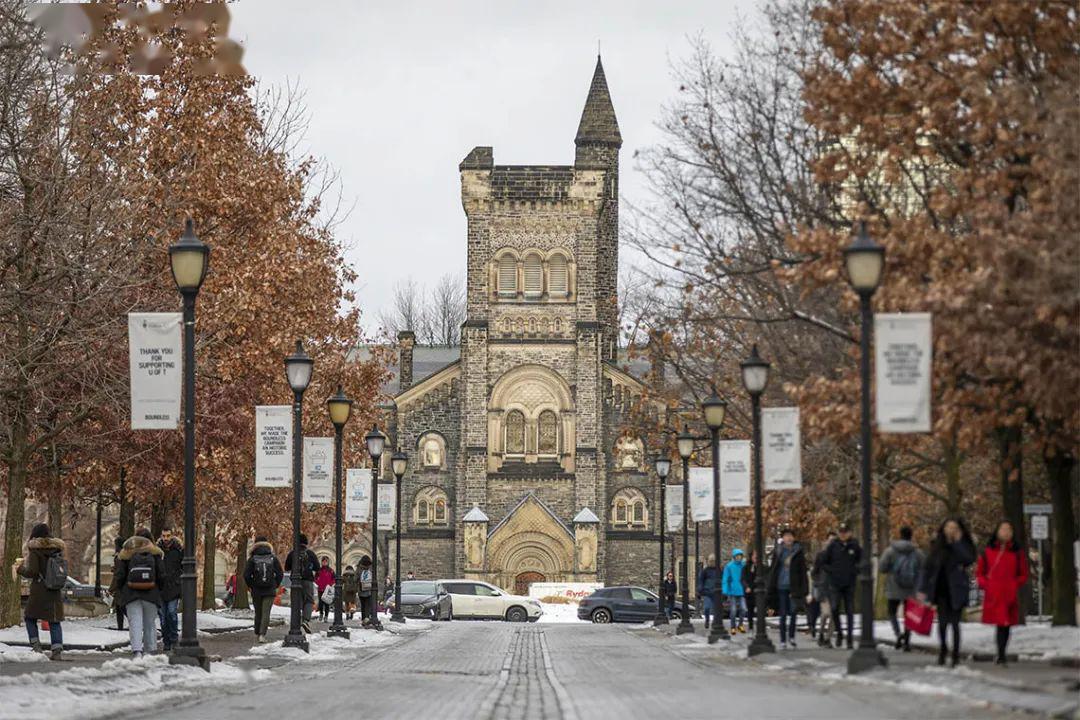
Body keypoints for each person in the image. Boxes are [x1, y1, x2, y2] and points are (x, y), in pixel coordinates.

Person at [917, 517, 976, 667]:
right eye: (948, 527)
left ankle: (955, 655)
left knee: (955, 624)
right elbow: (927, 567)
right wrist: (922, 588)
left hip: (957, 589)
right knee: (942, 624)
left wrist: (957, 543)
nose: (951, 530)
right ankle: (943, 649)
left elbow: (969, 559)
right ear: (943, 529)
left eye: (954, 528)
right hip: (941, 589)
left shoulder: (964, 545)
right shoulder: (937, 546)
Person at [976, 521, 1028, 666]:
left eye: (1009, 529)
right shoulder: (988, 551)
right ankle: (1001, 654)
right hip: (994, 593)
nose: (1006, 532)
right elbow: (980, 573)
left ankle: (1001, 653)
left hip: (1009, 593)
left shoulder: (1017, 553)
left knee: (1006, 624)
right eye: (1003, 529)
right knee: (1000, 623)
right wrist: (986, 585)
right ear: (997, 532)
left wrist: (1014, 584)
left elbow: (1023, 574)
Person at [13, 524, 65, 660]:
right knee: (54, 621)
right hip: (54, 590)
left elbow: (33, 572)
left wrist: (20, 569)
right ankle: (57, 650)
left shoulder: (35, 550)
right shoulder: (58, 549)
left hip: (39, 590)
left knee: (29, 618)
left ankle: (36, 647)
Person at [114, 527, 166, 658]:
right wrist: (159, 589)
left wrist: (119, 588)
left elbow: (119, 575)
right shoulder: (155, 554)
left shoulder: (126, 553)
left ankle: (137, 651)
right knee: (150, 624)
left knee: (135, 623)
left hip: (131, 594)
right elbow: (162, 575)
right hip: (151, 593)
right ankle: (151, 650)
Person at [879, 526, 924, 651]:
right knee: (908, 615)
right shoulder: (917, 552)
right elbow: (924, 568)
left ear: (900, 535)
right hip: (911, 588)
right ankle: (907, 641)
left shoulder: (890, 551)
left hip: (893, 587)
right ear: (911, 536)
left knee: (891, 612)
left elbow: (882, 567)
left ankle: (898, 634)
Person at [822, 523, 861, 649]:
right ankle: (839, 632)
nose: (843, 534)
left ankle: (849, 639)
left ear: (849, 533)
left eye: (845, 532)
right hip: (835, 583)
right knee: (834, 609)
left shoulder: (854, 545)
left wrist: (855, 570)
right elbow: (824, 562)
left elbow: (861, 561)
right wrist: (832, 570)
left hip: (849, 583)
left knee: (850, 611)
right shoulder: (833, 545)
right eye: (841, 532)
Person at [767, 529, 807, 649]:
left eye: (790, 536)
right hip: (781, 586)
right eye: (786, 536)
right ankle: (783, 640)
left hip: (793, 586)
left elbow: (802, 572)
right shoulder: (778, 552)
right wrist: (771, 584)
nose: (788, 538)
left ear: (793, 538)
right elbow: (773, 569)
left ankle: (792, 637)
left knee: (793, 612)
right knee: (783, 613)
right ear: (783, 538)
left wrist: (804, 589)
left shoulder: (798, 552)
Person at [243, 535, 283, 643]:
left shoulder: (252, 559)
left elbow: (246, 575)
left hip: (256, 589)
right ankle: (262, 634)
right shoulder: (272, 558)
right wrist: (275, 584)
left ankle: (257, 632)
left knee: (258, 612)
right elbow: (280, 573)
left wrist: (251, 585)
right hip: (270, 589)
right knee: (266, 613)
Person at [284, 533, 319, 633]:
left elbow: (286, 567)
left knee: (296, 602)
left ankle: (296, 622)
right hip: (308, 580)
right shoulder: (310, 554)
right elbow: (317, 567)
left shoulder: (292, 553)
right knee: (309, 601)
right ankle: (306, 620)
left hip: (296, 581)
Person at [157, 526, 183, 652]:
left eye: (168, 536)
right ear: (161, 536)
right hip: (161, 588)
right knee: (163, 617)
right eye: (164, 536)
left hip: (173, 588)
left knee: (171, 613)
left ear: (172, 535)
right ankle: (166, 640)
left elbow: (183, 567)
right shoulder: (157, 551)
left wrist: (178, 581)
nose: (166, 538)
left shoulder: (178, 550)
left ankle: (174, 639)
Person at [810, 532, 836, 647]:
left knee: (833, 616)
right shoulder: (821, 555)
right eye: (830, 540)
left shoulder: (839, 556)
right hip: (823, 589)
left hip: (836, 590)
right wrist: (819, 582)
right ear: (826, 542)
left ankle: (827, 638)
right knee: (826, 614)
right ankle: (821, 633)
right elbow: (814, 573)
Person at [722, 549, 747, 634]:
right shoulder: (729, 566)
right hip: (732, 591)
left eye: (740, 556)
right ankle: (733, 627)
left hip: (742, 591)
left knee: (743, 609)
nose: (739, 557)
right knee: (733, 610)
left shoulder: (744, 565)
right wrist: (725, 591)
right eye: (737, 556)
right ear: (734, 557)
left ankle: (740, 624)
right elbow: (725, 579)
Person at [696, 554, 721, 629]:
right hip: (707, 592)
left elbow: (722, 580)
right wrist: (700, 590)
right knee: (707, 608)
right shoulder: (705, 571)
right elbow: (701, 581)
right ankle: (707, 620)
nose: (712, 562)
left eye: (713, 561)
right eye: (711, 561)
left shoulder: (719, 570)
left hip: (716, 592)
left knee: (716, 609)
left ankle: (715, 622)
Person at [109, 536, 126, 631]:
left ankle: (122, 627)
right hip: (121, 586)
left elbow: (118, 574)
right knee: (119, 607)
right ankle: (120, 627)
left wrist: (111, 589)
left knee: (121, 607)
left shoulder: (119, 557)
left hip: (121, 586)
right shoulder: (122, 556)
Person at [742, 550, 759, 631]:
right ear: (751, 556)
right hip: (749, 592)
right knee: (750, 610)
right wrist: (746, 587)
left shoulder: (760, 566)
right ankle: (751, 626)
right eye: (754, 555)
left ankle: (760, 627)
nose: (756, 557)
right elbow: (743, 579)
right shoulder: (746, 567)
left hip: (758, 591)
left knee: (760, 608)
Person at [315, 556, 336, 622]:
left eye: (325, 561)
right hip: (320, 589)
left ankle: (326, 616)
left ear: (328, 562)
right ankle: (321, 613)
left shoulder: (331, 571)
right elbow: (315, 578)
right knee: (320, 603)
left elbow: (334, 579)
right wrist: (318, 582)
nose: (324, 563)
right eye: (323, 561)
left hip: (327, 590)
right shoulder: (319, 570)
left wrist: (330, 584)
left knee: (327, 603)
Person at [357, 555, 375, 627]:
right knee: (368, 604)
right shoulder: (371, 568)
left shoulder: (359, 568)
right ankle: (367, 617)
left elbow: (356, 578)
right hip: (369, 589)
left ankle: (364, 618)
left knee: (363, 605)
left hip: (361, 589)